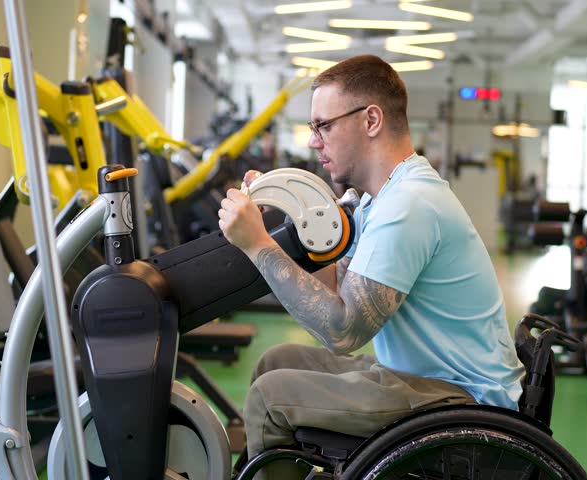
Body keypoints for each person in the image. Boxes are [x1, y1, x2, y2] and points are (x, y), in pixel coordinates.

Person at [218, 54, 524, 478]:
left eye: (323, 126)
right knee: (276, 361)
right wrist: (298, 211)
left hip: (462, 403)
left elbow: (343, 331)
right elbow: (334, 292)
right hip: (419, 380)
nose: (313, 141)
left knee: (271, 398)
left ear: (371, 120)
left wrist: (257, 245)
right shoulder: (379, 200)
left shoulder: (409, 205)